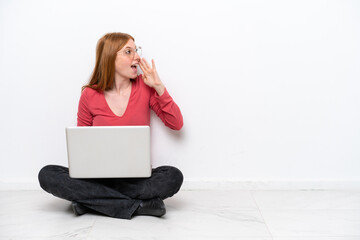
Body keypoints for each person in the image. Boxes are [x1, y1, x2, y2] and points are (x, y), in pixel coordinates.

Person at [38, 32, 184, 219]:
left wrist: (159, 87)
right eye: (128, 52)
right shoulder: (89, 95)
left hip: (136, 178)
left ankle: (91, 202)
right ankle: (138, 206)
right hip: (98, 177)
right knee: (47, 174)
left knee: (173, 176)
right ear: (110, 57)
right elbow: (81, 146)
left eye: (136, 50)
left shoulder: (145, 87)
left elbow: (176, 123)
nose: (137, 57)